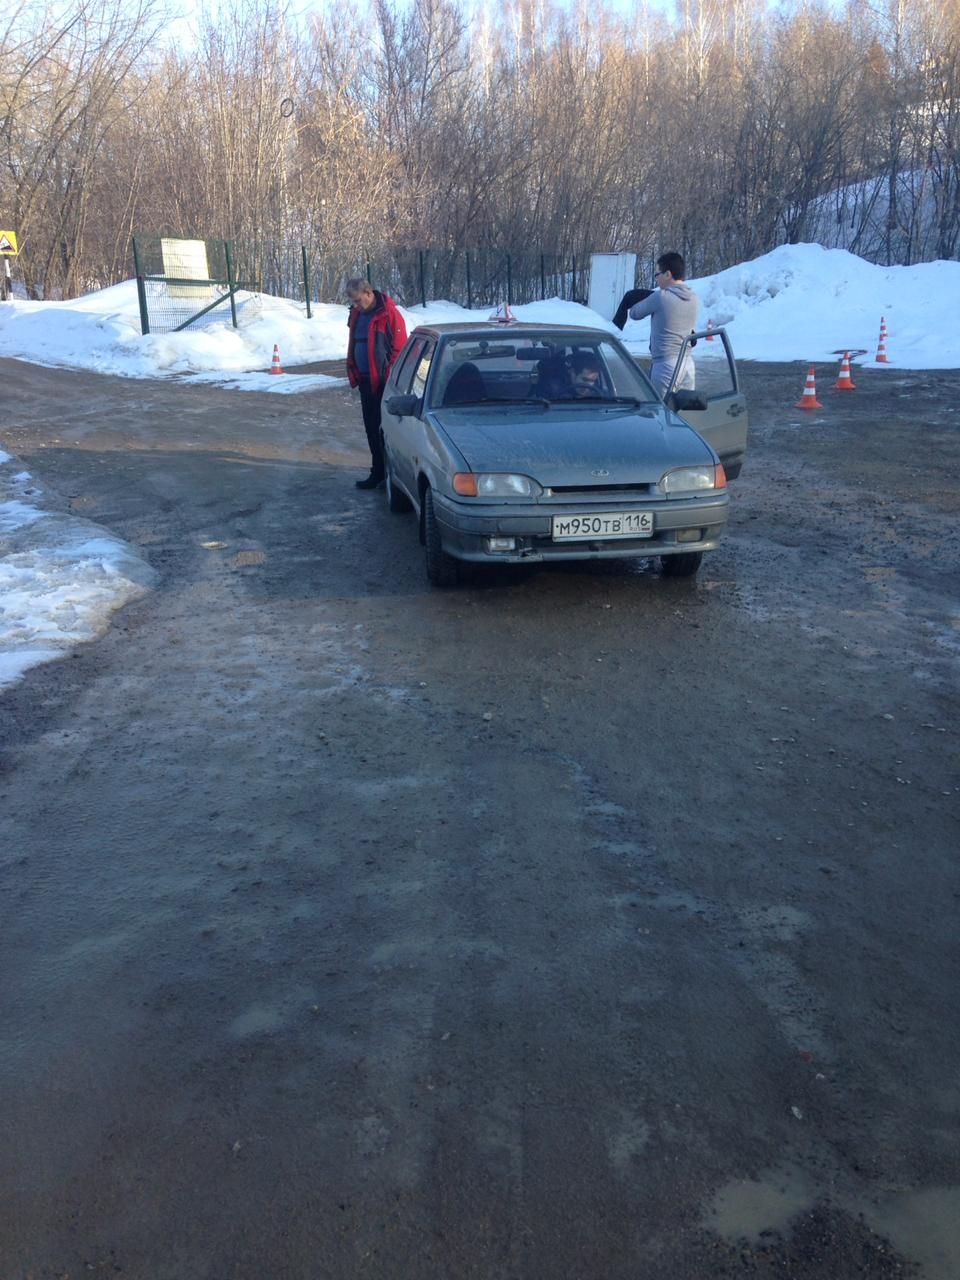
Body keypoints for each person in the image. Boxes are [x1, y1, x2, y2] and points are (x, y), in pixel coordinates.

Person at [345, 278, 407, 489]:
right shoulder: (357, 315)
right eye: (353, 302)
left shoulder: (389, 315)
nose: (355, 306)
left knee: (385, 431)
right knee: (371, 429)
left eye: (357, 301)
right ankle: (377, 472)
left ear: (368, 293)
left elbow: (399, 350)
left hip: (383, 383)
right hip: (365, 381)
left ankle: (391, 475)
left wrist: (388, 378)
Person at [624, 252, 699, 398]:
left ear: (668, 274)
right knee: (685, 414)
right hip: (688, 363)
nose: (656, 279)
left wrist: (640, 297)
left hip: (665, 365)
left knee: (661, 413)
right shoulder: (694, 298)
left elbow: (634, 314)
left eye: (657, 274)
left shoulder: (660, 297)